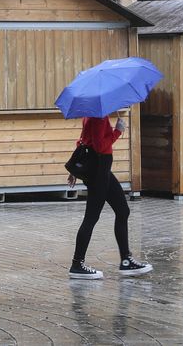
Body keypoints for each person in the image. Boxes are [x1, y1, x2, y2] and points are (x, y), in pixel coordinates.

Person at [66, 113, 152, 279]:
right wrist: (118, 131)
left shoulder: (91, 114)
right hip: (99, 172)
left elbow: (83, 140)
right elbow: (99, 146)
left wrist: (74, 170)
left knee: (122, 210)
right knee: (91, 217)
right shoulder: (99, 117)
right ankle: (77, 264)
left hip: (102, 171)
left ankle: (126, 261)